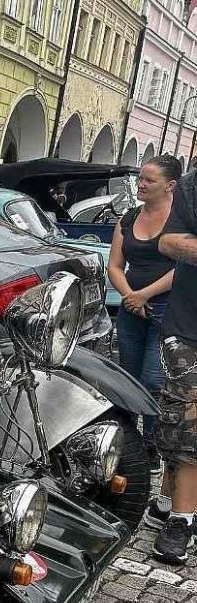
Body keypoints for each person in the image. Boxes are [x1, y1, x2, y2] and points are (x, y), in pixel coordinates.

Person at [108, 156, 179, 497]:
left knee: (153, 380)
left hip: (166, 308)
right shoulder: (129, 218)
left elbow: (183, 268)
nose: (141, 184)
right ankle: (123, 443)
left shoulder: (181, 221)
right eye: (141, 178)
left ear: (170, 185)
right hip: (131, 308)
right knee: (127, 377)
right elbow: (115, 265)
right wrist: (129, 296)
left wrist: (145, 295)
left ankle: (150, 446)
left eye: (149, 180)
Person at [148, 168, 197, 564]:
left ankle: (166, 501)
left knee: (184, 423)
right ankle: (182, 519)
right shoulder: (195, 184)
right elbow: (168, 241)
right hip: (189, 328)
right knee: (187, 424)